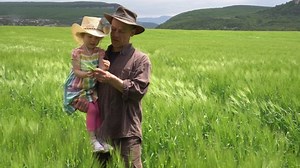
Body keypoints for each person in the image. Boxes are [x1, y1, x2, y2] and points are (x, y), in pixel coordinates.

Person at [73, 6, 151, 168]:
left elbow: (138, 92)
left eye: (121, 31)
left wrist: (110, 79)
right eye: (113, 29)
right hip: (101, 135)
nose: (115, 35)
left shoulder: (140, 60)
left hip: (126, 133)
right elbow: (89, 87)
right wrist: (83, 103)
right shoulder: (98, 56)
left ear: (133, 32)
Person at [63, 16, 111, 153]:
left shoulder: (100, 52)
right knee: (92, 110)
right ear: (83, 36)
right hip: (78, 87)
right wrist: (86, 74)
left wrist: (104, 68)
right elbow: (76, 71)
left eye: (97, 38)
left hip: (91, 87)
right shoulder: (77, 53)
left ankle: (101, 139)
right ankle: (92, 140)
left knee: (100, 110)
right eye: (90, 37)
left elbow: (102, 67)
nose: (93, 40)